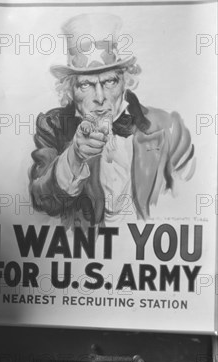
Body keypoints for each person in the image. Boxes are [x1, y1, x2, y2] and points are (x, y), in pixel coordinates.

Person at [29, 13, 195, 230]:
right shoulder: (53, 125)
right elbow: (43, 200)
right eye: (86, 85)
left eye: (109, 82)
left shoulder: (168, 127)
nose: (99, 97)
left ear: (125, 81)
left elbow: (188, 202)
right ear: (69, 90)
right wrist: (74, 156)